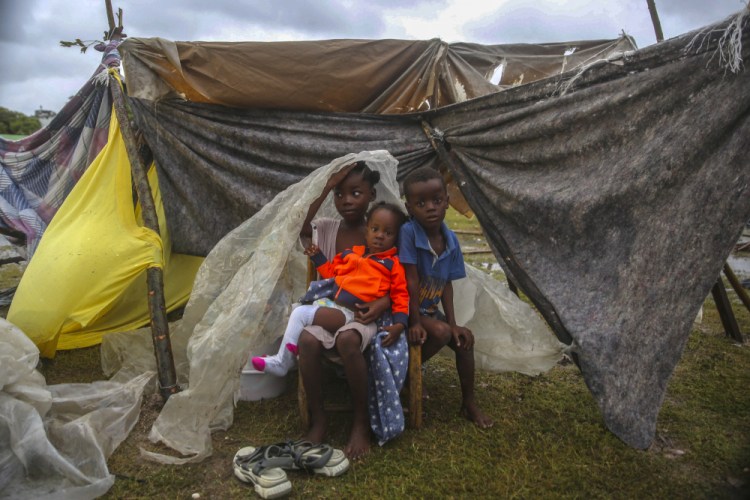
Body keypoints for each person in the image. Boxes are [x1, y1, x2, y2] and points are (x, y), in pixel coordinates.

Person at [297, 160, 396, 460]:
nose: (346, 201)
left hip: (365, 316)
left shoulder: (381, 228)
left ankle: (360, 421)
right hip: (332, 309)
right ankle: (320, 418)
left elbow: (400, 277)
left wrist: (383, 303)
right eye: (340, 195)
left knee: (348, 339)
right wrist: (327, 185)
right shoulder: (328, 229)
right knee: (307, 339)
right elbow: (300, 225)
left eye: (355, 193)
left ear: (371, 194)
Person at [251, 201, 409, 377]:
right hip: (333, 304)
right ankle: (287, 355)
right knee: (295, 310)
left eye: (388, 233)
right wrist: (318, 257)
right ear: (367, 231)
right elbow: (332, 274)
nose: (380, 236)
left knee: (300, 314)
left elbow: (401, 294)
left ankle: (282, 362)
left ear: (396, 238)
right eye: (375, 229)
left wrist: (400, 324)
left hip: (352, 314)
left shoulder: (392, 264)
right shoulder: (351, 254)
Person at [399, 166, 494, 428]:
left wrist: (454, 324)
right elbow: (411, 280)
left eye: (437, 200)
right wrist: (415, 321)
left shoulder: (450, 240)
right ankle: (408, 373)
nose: (430, 207)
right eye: (421, 203)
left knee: (463, 339)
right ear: (409, 208)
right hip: (403, 309)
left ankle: (469, 403)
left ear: (447, 202)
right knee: (439, 332)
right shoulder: (408, 232)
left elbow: (446, 286)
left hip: (429, 311)